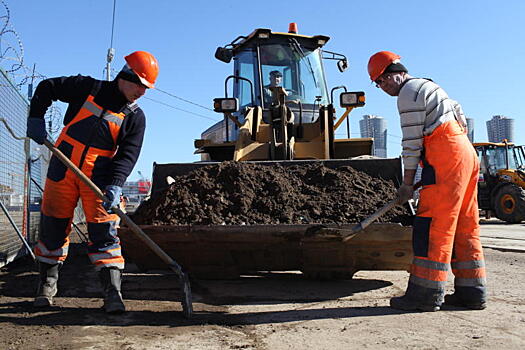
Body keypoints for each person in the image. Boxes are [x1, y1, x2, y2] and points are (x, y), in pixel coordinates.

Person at [26, 51, 159, 314]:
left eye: (147, 88)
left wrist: (116, 184)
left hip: (98, 178)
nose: (142, 93)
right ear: (126, 76)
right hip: (61, 167)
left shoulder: (135, 116)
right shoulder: (88, 88)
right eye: (140, 86)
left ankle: (113, 293)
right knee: (53, 225)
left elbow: (128, 154)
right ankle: (46, 286)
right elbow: (47, 87)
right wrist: (36, 117)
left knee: (104, 234)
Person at [367, 51, 487, 312]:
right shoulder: (429, 86)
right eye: (378, 84)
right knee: (465, 225)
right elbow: (459, 113)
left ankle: (424, 294)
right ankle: (472, 292)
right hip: (465, 153)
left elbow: (411, 144)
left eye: (382, 81)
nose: (383, 87)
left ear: (394, 74)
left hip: (448, 157)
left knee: (432, 226)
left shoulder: (408, 93)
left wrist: (407, 183)